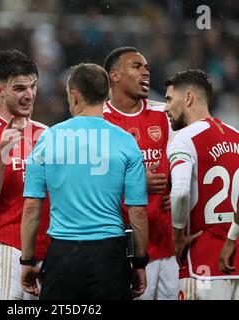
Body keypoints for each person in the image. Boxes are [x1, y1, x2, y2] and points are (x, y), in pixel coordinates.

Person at [20, 63, 149, 300]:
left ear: (74, 95)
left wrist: (27, 260)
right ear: (107, 94)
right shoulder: (126, 142)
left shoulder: (48, 139)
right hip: (110, 254)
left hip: (64, 254)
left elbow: (31, 207)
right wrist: (139, 263)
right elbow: (137, 211)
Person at [0, 49, 50, 300]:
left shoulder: (47, 134)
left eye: (33, 87)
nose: (29, 95)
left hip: (46, 254)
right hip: (6, 249)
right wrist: (2, 153)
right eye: (20, 88)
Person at [103, 47, 178, 300]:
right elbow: (87, 182)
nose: (146, 71)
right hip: (124, 249)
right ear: (114, 75)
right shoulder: (99, 121)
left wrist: (177, 191)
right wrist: (134, 182)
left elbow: (190, 158)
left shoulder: (166, 115)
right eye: (136, 66)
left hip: (168, 245)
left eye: (147, 67)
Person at [165, 69, 239, 300]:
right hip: (234, 259)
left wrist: (177, 235)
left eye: (169, 99)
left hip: (201, 265)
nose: (166, 108)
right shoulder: (236, 137)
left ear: (188, 98)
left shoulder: (183, 139)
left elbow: (179, 192)